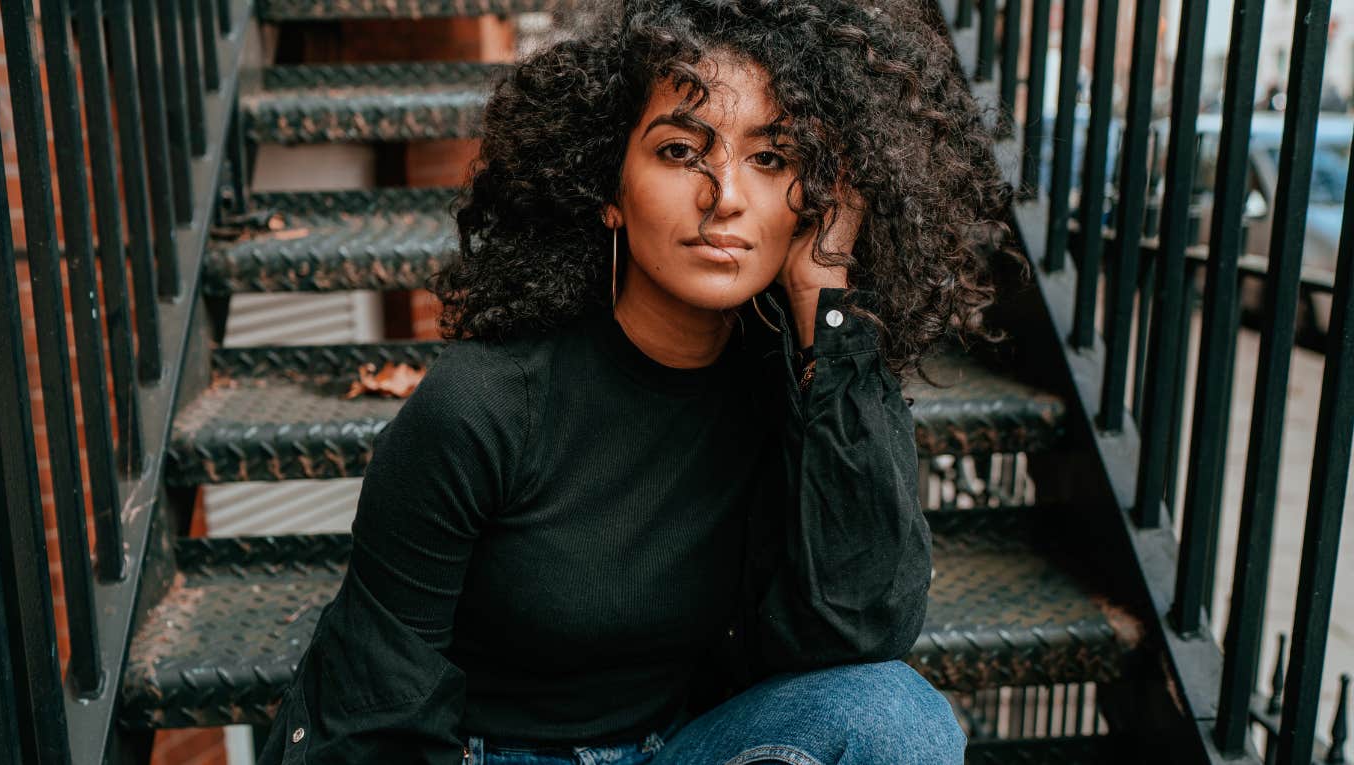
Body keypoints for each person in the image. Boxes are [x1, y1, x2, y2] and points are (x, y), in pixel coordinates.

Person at [259, 0, 1009, 761]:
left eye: (772, 159)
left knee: (898, 715)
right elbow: (375, 717)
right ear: (609, 189)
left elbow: (860, 625)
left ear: (814, 205)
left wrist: (826, 297)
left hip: (679, 746)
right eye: (682, 151)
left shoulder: (796, 388)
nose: (725, 197)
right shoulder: (482, 407)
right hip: (487, 753)